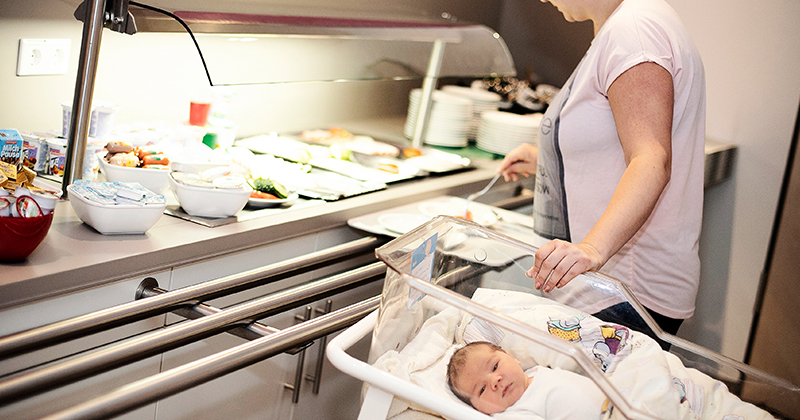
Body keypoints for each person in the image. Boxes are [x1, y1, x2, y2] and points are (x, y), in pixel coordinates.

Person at [496, 0, 706, 343]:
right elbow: (618, 136)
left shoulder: (634, 32)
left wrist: (592, 248)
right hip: (618, 286)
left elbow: (651, 158)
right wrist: (546, 158)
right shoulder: (630, 23)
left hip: (625, 289)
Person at [446, 341, 610, 418]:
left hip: (618, 401)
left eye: (495, 366)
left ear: (511, 357)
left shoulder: (537, 370)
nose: (494, 381)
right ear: (478, 409)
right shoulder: (514, 414)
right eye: (481, 390)